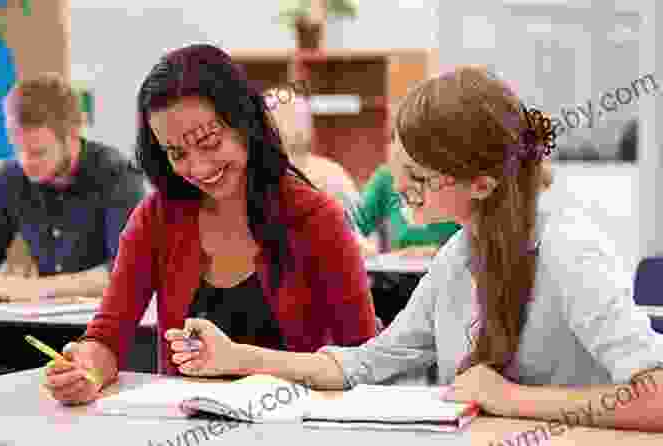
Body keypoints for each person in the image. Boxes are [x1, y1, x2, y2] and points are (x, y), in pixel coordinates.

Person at [163, 66, 663, 432]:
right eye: (399, 164)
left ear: (483, 184)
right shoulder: (459, 258)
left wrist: (511, 398)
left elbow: (657, 399)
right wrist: (236, 357)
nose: (399, 186)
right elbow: (360, 365)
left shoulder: (567, 249)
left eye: (419, 176)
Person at [43, 44, 377, 404]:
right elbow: (108, 336)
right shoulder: (156, 218)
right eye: (176, 153)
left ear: (245, 123)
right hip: (185, 427)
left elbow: (363, 359)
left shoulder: (315, 217)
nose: (199, 168)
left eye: (209, 142)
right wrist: (86, 370)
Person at [0, 74, 145, 300]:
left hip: (105, 324)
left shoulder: (118, 176)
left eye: (38, 152)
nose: (25, 162)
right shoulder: (10, 178)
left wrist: (34, 288)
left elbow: (127, 273)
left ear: (72, 135)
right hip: (40, 320)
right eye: (18, 149)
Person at [268, 92, 377, 256]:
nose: (301, 123)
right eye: (291, 115)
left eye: (302, 115)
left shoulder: (331, 175)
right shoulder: (254, 178)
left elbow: (365, 244)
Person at [354, 131, 461, 257]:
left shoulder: (454, 180)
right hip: (396, 272)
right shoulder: (386, 178)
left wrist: (439, 252)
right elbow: (354, 226)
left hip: (451, 271)